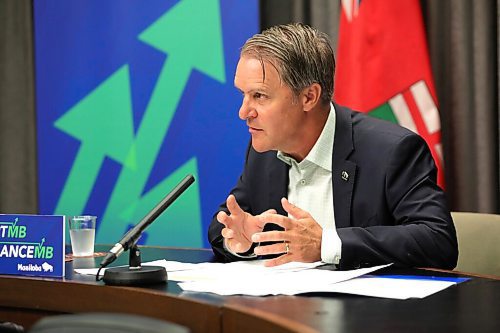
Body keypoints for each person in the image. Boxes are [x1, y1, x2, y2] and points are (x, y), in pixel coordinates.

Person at [208, 23, 458, 269]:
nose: (243, 112)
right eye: (243, 94)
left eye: (259, 96)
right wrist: (243, 242)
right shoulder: (264, 151)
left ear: (309, 97)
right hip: (284, 306)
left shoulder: (392, 151)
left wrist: (326, 244)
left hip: (369, 308)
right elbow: (227, 224)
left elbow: (437, 240)